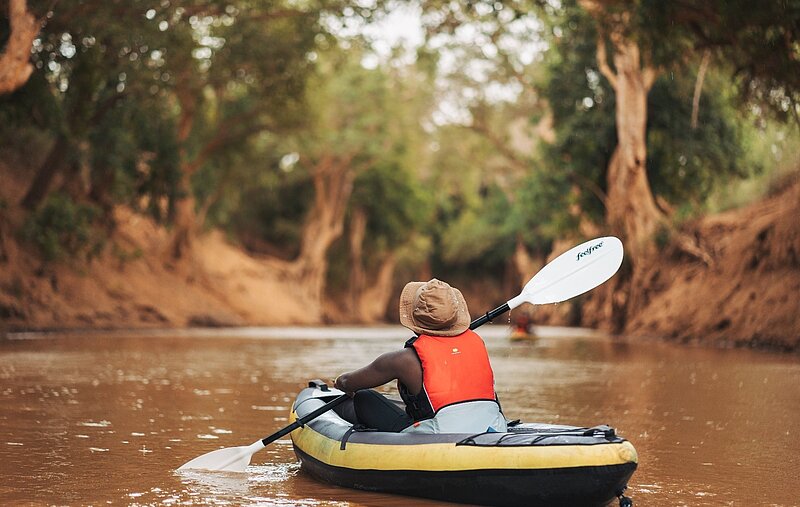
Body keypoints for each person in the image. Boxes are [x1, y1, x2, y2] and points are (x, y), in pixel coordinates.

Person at [333, 278, 506, 434]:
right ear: (455, 317)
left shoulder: (403, 360)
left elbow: (347, 383)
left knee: (364, 397)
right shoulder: (477, 343)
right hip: (493, 426)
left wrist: (339, 382)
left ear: (415, 321)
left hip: (439, 434)